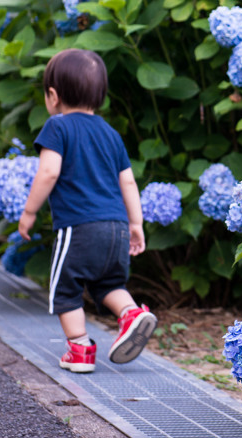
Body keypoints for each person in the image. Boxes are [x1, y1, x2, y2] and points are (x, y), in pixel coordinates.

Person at [18, 48, 156, 373]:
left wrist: (29, 212)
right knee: (108, 285)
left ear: (53, 95)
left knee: (66, 289)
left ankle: (79, 348)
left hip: (78, 227)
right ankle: (132, 314)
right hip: (117, 228)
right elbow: (129, 184)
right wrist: (136, 224)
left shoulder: (57, 127)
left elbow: (49, 172)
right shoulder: (111, 134)